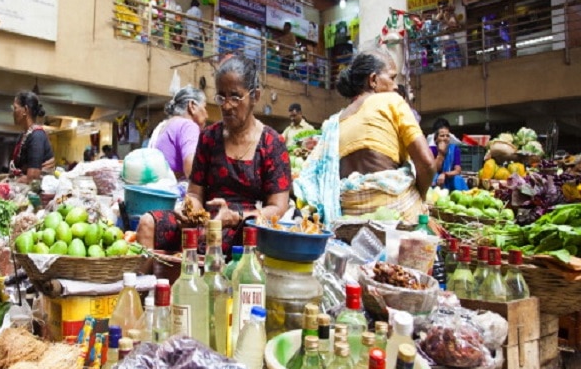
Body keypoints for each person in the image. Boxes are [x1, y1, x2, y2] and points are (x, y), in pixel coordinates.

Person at [137, 54, 292, 254]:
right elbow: (194, 192)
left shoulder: (272, 143)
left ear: (255, 96)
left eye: (235, 97)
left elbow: (277, 208)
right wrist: (190, 211)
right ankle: (153, 284)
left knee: (234, 238)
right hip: (207, 220)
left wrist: (236, 216)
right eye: (221, 97)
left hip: (245, 225)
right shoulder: (209, 137)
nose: (226, 106)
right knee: (148, 224)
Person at [295, 48, 435, 224]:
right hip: (394, 215)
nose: (394, 86)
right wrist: (418, 196)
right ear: (373, 80)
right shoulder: (392, 101)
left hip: (348, 222)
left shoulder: (336, 122)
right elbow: (428, 164)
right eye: (391, 78)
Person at [148, 86, 208, 180]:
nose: (207, 115)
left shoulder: (162, 126)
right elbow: (192, 171)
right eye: (205, 107)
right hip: (171, 192)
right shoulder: (188, 126)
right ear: (192, 106)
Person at [10, 90, 55, 183]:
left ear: (25, 110)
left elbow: (33, 178)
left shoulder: (37, 136)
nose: (13, 112)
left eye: (15, 108)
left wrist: (18, 179)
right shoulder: (24, 136)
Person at [430, 121, 468, 191]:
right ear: (436, 139)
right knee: (433, 177)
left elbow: (458, 170)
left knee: (457, 179)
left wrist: (445, 174)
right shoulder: (431, 150)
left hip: (449, 178)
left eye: (447, 136)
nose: (445, 138)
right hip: (436, 182)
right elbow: (433, 170)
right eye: (442, 136)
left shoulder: (454, 149)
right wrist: (441, 154)